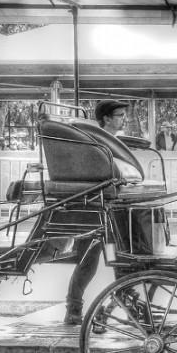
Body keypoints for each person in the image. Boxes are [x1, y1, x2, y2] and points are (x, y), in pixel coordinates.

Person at [65, 99, 128, 325]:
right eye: (119, 115)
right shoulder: (95, 142)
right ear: (107, 119)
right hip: (93, 208)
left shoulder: (111, 141)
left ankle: (122, 300)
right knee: (88, 261)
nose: (123, 119)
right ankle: (73, 307)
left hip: (109, 206)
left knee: (121, 259)